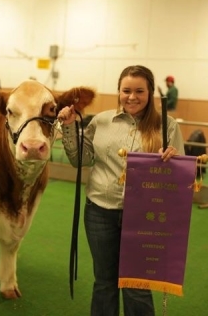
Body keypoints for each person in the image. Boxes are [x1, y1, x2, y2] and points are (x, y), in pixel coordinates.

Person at [57, 65, 185, 316]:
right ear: (118, 91)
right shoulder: (102, 120)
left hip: (144, 217)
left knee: (136, 285)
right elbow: (80, 159)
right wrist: (70, 126)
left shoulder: (167, 126)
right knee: (104, 282)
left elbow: (179, 177)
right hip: (99, 212)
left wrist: (174, 159)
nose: (132, 96)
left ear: (149, 93)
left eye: (140, 91)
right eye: (126, 90)